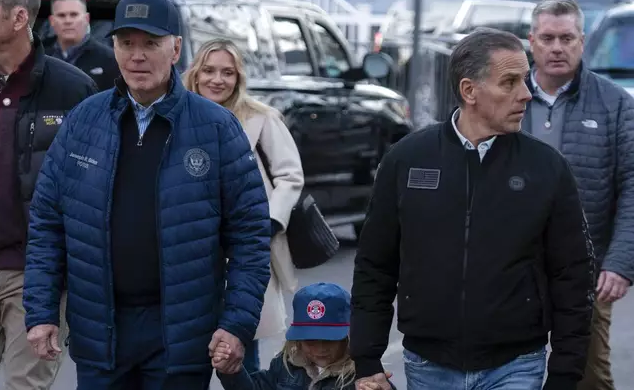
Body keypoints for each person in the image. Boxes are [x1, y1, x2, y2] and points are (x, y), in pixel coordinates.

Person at [22, 0, 271, 388]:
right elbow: (47, 225)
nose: (137, 56)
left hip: (181, 336)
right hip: (99, 331)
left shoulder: (216, 128)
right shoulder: (84, 121)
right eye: (126, 43)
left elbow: (250, 236)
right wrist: (40, 312)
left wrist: (236, 323)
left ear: (175, 49)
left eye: (150, 44)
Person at [350, 28, 595, 390]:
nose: (526, 94)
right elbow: (375, 264)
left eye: (525, 80)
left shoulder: (547, 167)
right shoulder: (406, 159)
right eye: (510, 82)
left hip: (516, 364)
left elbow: (573, 275)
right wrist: (366, 360)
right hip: (428, 363)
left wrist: (564, 373)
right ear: (469, 91)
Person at [525, 0, 634, 389]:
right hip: (510, 269)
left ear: (582, 42)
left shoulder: (616, 104)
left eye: (567, 38)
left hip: (586, 271)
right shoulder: (504, 98)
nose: (558, 47)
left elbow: (633, 188)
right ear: (532, 41)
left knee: (587, 378)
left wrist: (620, 263)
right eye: (549, 38)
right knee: (510, 375)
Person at [0, 0, 97, 387]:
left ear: (19, 18)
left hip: (35, 272)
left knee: (25, 385)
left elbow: (93, 186)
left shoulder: (72, 88)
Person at [183, 38, 303, 374]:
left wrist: (268, 223)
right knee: (188, 355)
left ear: (239, 78)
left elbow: (290, 175)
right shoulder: (177, 115)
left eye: (227, 72)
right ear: (195, 72)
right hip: (190, 250)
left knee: (240, 349)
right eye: (209, 70)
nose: (217, 80)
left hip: (244, 250)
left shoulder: (262, 119)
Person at [213, 282, 395, 390]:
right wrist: (231, 370)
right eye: (311, 341)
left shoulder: (362, 375)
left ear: (347, 336)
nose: (321, 349)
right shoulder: (285, 365)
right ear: (298, 340)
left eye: (330, 340)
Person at [45, 0, 120, 91]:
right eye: (61, 15)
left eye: (74, 15)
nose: (68, 21)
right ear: (52, 21)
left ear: (86, 19)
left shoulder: (110, 59)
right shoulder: (38, 57)